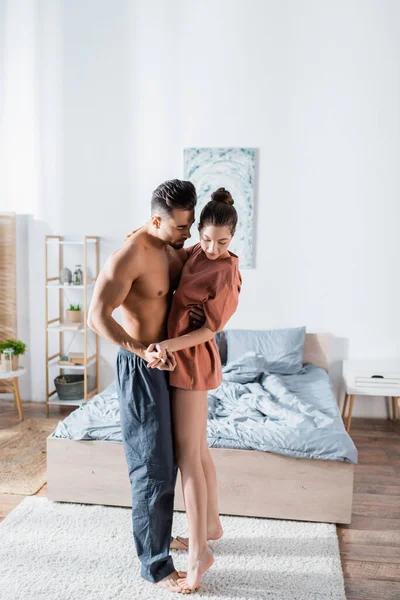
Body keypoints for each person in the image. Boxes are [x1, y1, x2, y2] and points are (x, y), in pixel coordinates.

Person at [88, 179, 206, 594]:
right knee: (152, 468)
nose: (186, 234)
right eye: (180, 227)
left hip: (173, 361)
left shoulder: (171, 246)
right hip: (141, 366)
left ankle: (177, 538)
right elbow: (97, 317)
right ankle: (155, 564)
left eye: (189, 226)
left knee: (178, 458)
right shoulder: (128, 256)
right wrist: (140, 351)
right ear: (157, 220)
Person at [146, 188, 242, 591]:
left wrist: (166, 345)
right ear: (198, 231)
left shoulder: (225, 270)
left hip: (192, 360)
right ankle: (213, 525)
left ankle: (198, 552)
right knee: (198, 450)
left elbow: (211, 328)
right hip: (179, 357)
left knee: (187, 458)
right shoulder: (194, 254)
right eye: (206, 238)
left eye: (222, 242)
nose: (213, 247)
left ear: (233, 237)